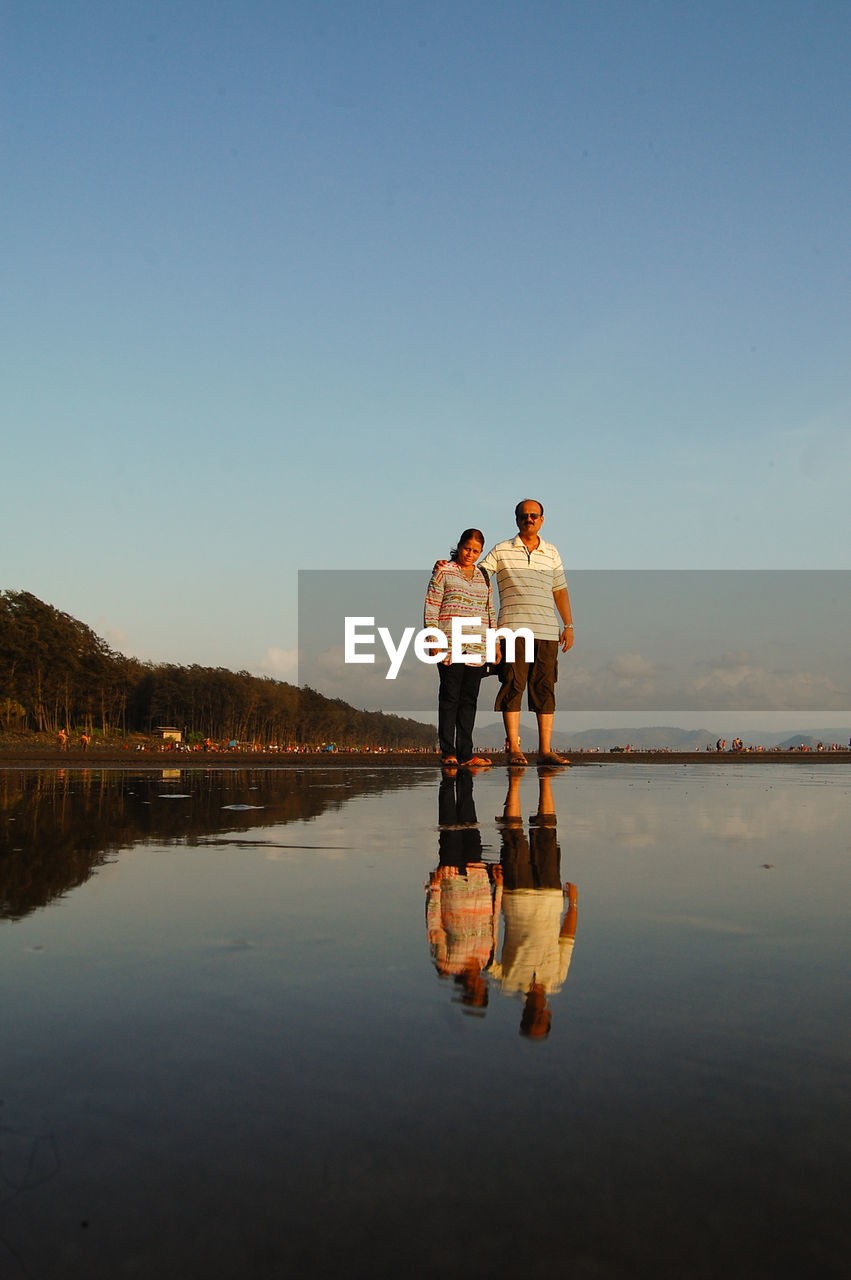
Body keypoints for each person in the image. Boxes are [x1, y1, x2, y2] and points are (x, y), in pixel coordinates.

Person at [478, 499, 574, 767]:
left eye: (534, 515)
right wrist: (451, 564)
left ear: (542, 519)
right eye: (524, 516)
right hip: (512, 627)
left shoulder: (551, 552)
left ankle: (545, 750)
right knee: (513, 684)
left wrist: (568, 625)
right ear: (516, 519)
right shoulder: (502, 550)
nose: (528, 519)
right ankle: (514, 748)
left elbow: (560, 590)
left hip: (547, 629)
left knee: (545, 687)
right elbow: (477, 574)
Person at [424, 528, 497, 767]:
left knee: (469, 701)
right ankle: (448, 752)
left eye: (476, 551)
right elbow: (432, 605)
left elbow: (490, 611)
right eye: (467, 548)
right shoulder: (444, 571)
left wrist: (494, 642)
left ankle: (466, 753)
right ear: (460, 546)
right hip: (449, 642)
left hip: (476, 646)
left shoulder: (483, 576)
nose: (470, 554)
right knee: (449, 697)